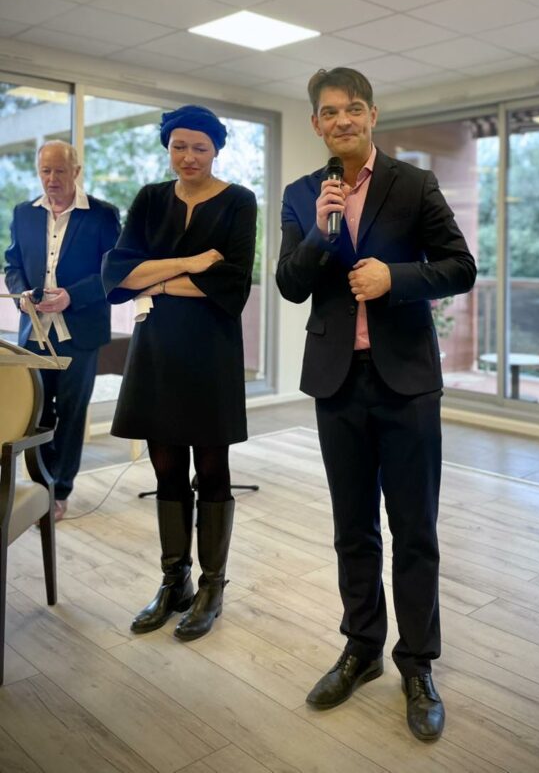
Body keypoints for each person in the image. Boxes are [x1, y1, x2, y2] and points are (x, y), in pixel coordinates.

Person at [277, 67, 476, 742]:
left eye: (354, 108)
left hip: (408, 383)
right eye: (330, 112)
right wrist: (319, 233)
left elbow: (460, 266)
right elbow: (289, 285)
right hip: (337, 382)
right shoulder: (302, 195)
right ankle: (361, 648)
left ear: (372, 115)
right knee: (352, 528)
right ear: (316, 124)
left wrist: (398, 277)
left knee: (414, 530)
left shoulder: (413, 184)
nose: (343, 120)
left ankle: (417, 664)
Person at [102, 105, 256, 641]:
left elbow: (233, 284)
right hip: (157, 350)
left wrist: (154, 279)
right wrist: (189, 266)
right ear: (168, 148)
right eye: (179, 146)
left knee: (212, 468)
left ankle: (212, 586)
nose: (189, 157)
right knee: (166, 467)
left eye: (200, 147)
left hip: (211, 351)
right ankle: (175, 583)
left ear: (216, 150)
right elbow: (117, 272)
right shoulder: (150, 198)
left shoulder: (239, 201)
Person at [5, 141, 120, 519]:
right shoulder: (24, 213)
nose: (51, 179)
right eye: (45, 171)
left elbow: (113, 271)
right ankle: (40, 485)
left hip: (80, 332)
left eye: (59, 171)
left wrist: (73, 296)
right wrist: (21, 292)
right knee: (36, 412)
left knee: (71, 412)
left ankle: (60, 490)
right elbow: (13, 264)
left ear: (76, 171)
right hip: (34, 332)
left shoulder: (102, 215)